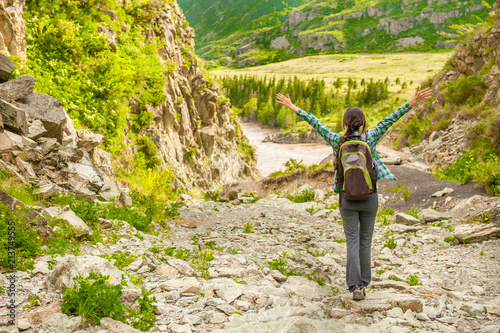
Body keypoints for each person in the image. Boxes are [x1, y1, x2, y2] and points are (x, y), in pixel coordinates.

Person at [276, 87, 433, 300]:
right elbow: (391, 118)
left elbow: (315, 122)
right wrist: (413, 100)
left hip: (346, 198)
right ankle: (364, 284)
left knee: (352, 240)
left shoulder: (336, 140)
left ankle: (355, 287)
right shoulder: (371, 137)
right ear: (363, 123)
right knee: (365, 240)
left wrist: (293, 107)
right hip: (370, 197)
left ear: (344, 124)